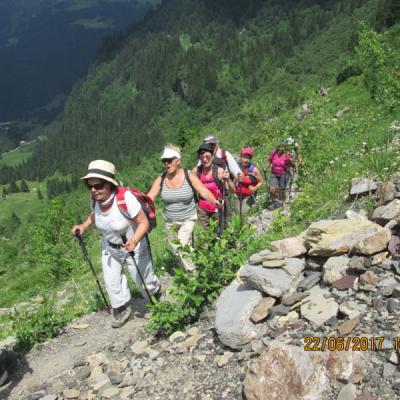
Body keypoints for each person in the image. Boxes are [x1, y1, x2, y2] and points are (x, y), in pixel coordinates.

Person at [71, 160, 161, 328]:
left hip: (134, 245)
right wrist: (83, 226)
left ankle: (155, 293)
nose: (93, 190)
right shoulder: (95, 200)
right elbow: (95, 215)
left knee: (143, 281)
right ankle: (121, 307)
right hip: (110, 247)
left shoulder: (124, 199)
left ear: (109, 184)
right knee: (112, 282)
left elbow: (143, 223)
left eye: (98, 185)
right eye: (90, 186)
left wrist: (134, 240)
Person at [148, 145, 222, 270]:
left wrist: (215, 201)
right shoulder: (161, 178)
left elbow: (203, 191)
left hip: (188, 218)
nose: (166, 163)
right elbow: (151, 196)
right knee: (176, 250)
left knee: (182, 246)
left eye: (169, 160)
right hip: (170, 221)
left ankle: (194, 275)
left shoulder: (189, 176)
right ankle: (193, 265)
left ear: (178, 160)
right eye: (164, 161)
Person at [192, 143, 230, 229]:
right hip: (202, 209)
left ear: (213, 157)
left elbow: (229, 190)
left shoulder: (219, 171)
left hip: (217, 207)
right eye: (202, 157)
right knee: (204, 235)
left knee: (219, 233)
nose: (205, 159)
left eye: (207, 157)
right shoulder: (196, 171)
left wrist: (227, 179)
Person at [263, 143, 294, 209]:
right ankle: (274, 201)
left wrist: (289, 160)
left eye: (282, 147)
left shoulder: (287, 154)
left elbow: (293, 165)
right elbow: (269, 161)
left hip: (284, 173)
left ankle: (282, 202)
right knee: (271, 189)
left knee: (282, 189)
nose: (281, 148)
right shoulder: (273, 153)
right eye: (279, 146)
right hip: (274, 173)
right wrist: (266, 167)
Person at [235, 146, 264, 214]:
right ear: (240, 157)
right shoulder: (236, 166)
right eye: (244, 157)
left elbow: (261, 182)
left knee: (243, 213)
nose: (246, 160)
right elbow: (233, 179)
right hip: (238, 194)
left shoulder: (254, 170)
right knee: (237, 213)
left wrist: (255, 188)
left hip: (248, 195)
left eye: (248, 158)